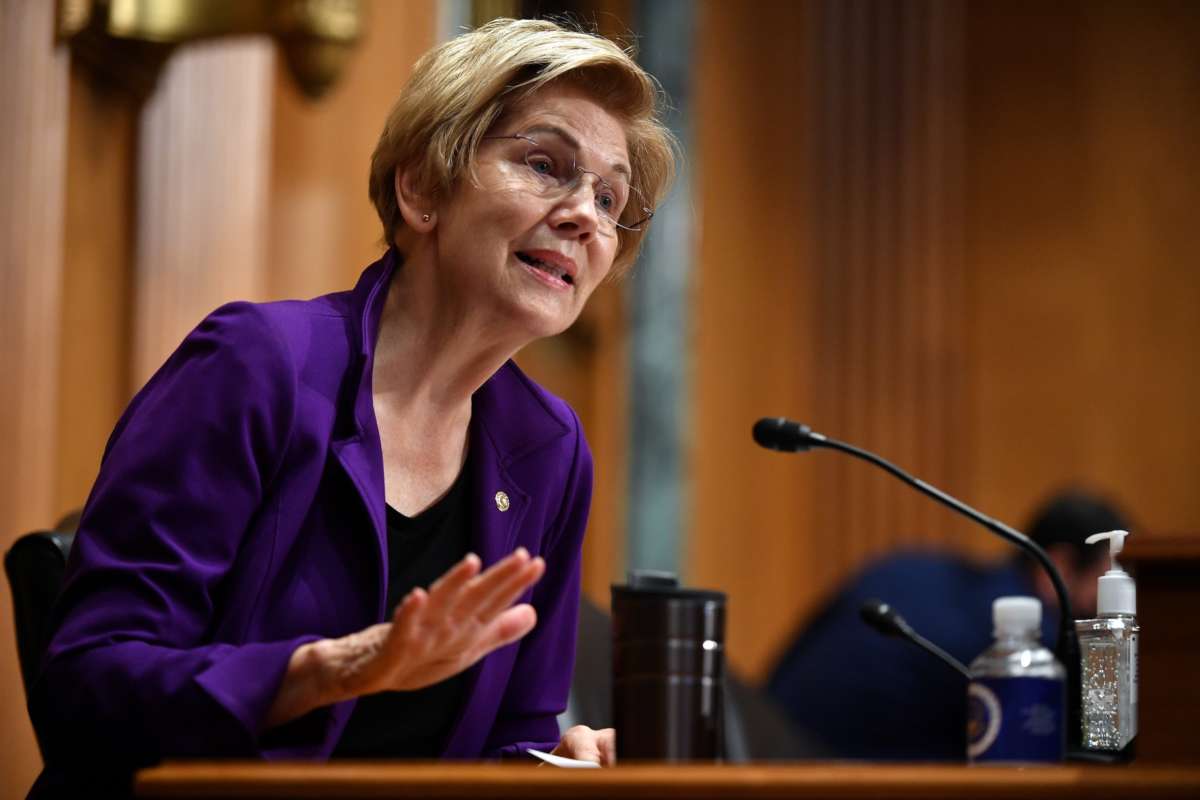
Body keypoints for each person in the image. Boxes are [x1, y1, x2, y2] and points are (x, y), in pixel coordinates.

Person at [29, 18, 675, 794]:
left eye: (610, 199)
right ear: (424, 188)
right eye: (545, 165)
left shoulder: (549, 448)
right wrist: (323, 672)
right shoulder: (258, 364)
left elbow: (512, 733)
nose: (586, 218)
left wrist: (550, 769)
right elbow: (87, 682)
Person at [765, 489, 1129, 761]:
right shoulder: (1025, 655)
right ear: (1061, 566)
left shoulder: (911, 567)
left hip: (762, 751)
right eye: (1113, 579)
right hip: (836, 777)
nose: (1122, 600)